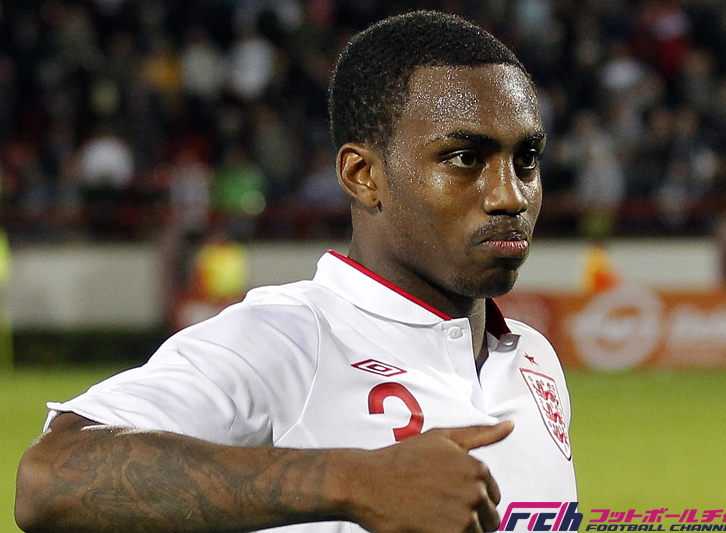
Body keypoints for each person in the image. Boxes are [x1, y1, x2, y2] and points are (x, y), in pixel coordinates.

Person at [15, 11, 577, 533]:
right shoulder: (290, 337)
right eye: (465, 159)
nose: (510, 195)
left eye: (526, 159)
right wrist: (352, 482)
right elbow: (50, 478)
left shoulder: (533, 358)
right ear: (363, 175)